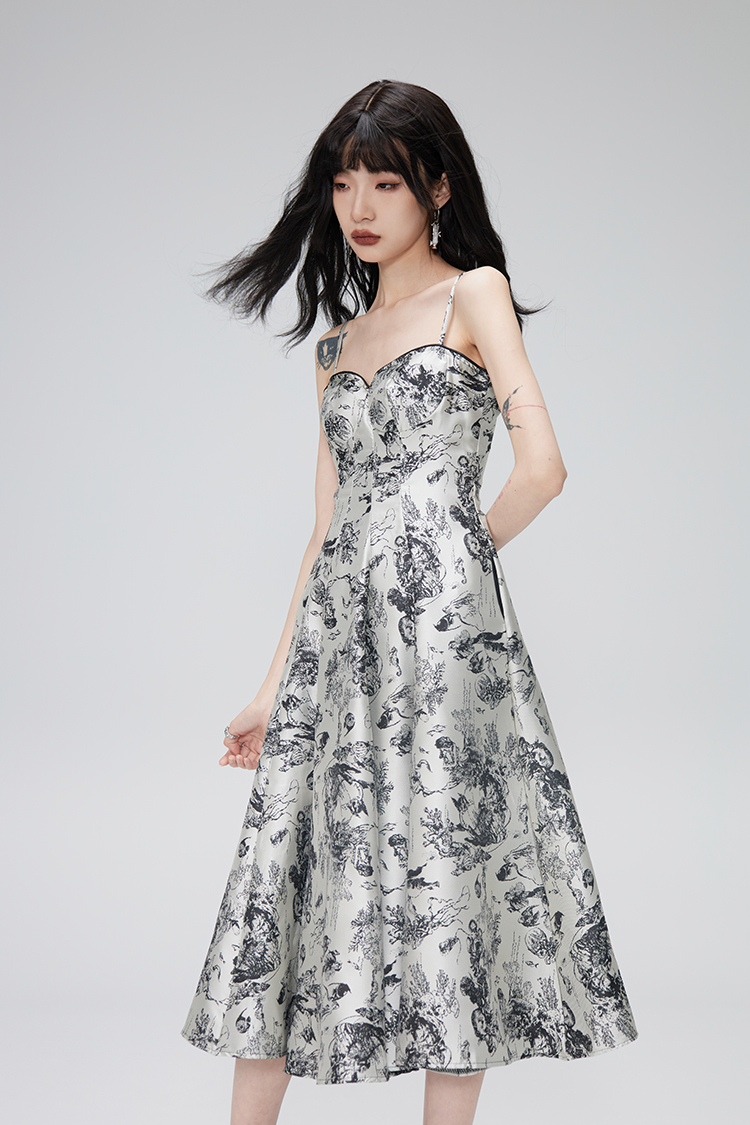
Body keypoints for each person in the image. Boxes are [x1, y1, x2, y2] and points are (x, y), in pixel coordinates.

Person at [181, 79, 638, 1125]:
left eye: (385, 182)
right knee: (289, 878)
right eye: (345, 183)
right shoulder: (335, 349)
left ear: (436, 188)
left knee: (445, 875)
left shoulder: (476, 294)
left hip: (444, 645)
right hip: (336, 650)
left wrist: (450, 562)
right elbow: (324, 532)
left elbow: (543, 468)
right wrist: (269, 687)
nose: (360, 206)